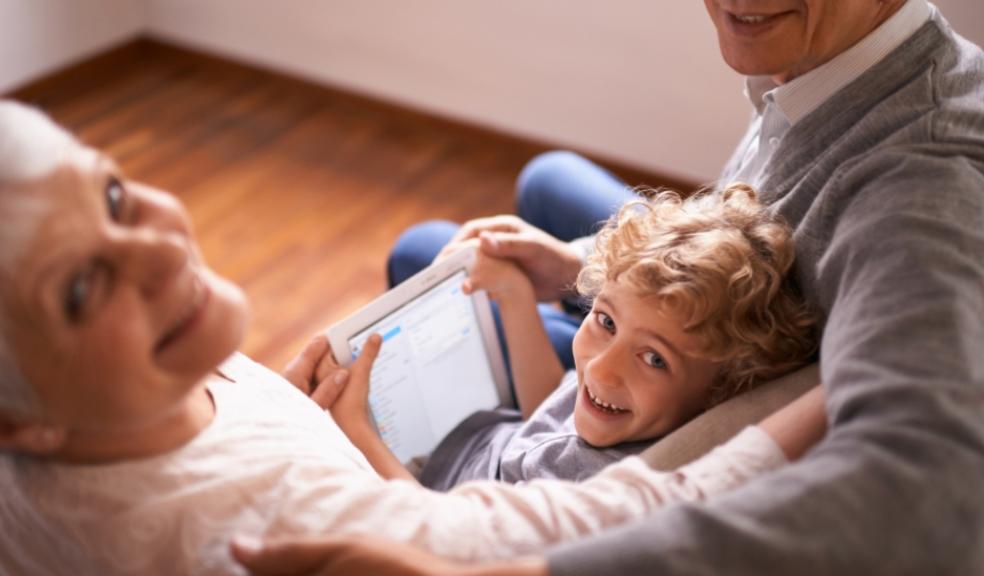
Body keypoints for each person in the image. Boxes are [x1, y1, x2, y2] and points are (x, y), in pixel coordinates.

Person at [235, 0, 984, 574]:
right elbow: (729, 225)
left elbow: (928, 492)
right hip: (695, 335)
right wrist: (570, 272)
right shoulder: (828, 63)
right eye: (601, 320)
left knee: (424, 252)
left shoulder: (922, 190)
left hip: (684, 385)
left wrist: (529, 568)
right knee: (532, 193)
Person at [0, 100, 827, 575]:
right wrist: (858, 373)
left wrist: (281, 404)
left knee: (436, 249)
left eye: (112, 196)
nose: (157, 248)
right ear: (22, 426)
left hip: (456, 446)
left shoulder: (68, 422)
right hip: (437, 464)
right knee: (436, 248)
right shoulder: (287, 531)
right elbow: (647, 500)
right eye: (78, 288)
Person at [333, 186, 816, 488]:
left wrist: (359, 435)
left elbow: (439, 532)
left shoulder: (591, 492)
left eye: (653, 359)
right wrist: (517, 299)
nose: (603, 368)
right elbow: (546, 412)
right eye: (605, 321)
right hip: (470, 442)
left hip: (414, 489)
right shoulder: (617, 409)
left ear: (722, 393)